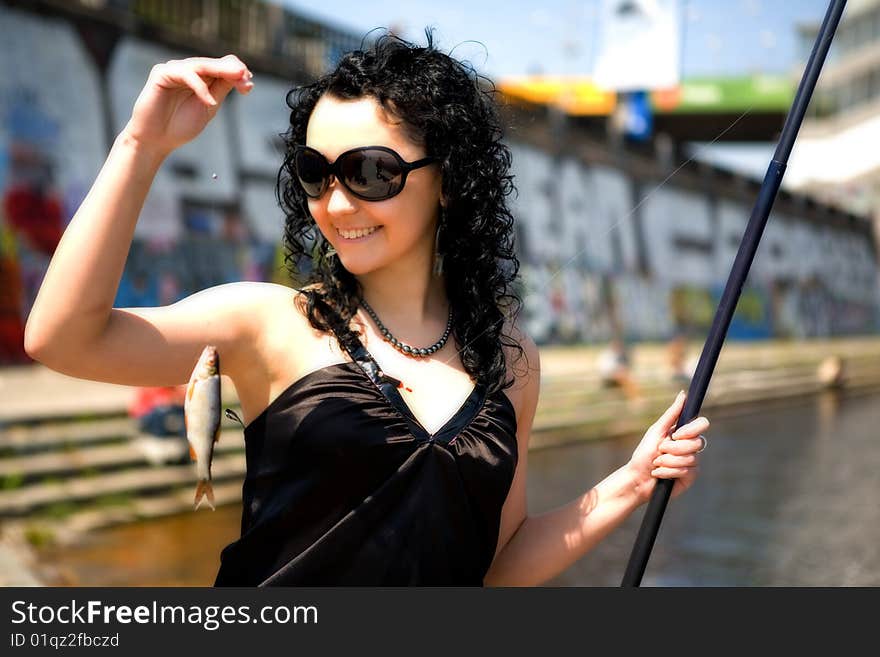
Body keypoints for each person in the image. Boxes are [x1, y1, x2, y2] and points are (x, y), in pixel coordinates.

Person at [23, 31, 709, 586]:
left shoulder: (511, 361)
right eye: (317, 172)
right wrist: (140, 146)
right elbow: (63, 339)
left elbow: (493, 568)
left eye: (371, 171)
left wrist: (631, 483)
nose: (338, 203)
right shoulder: (270, 324)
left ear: (447, 180)